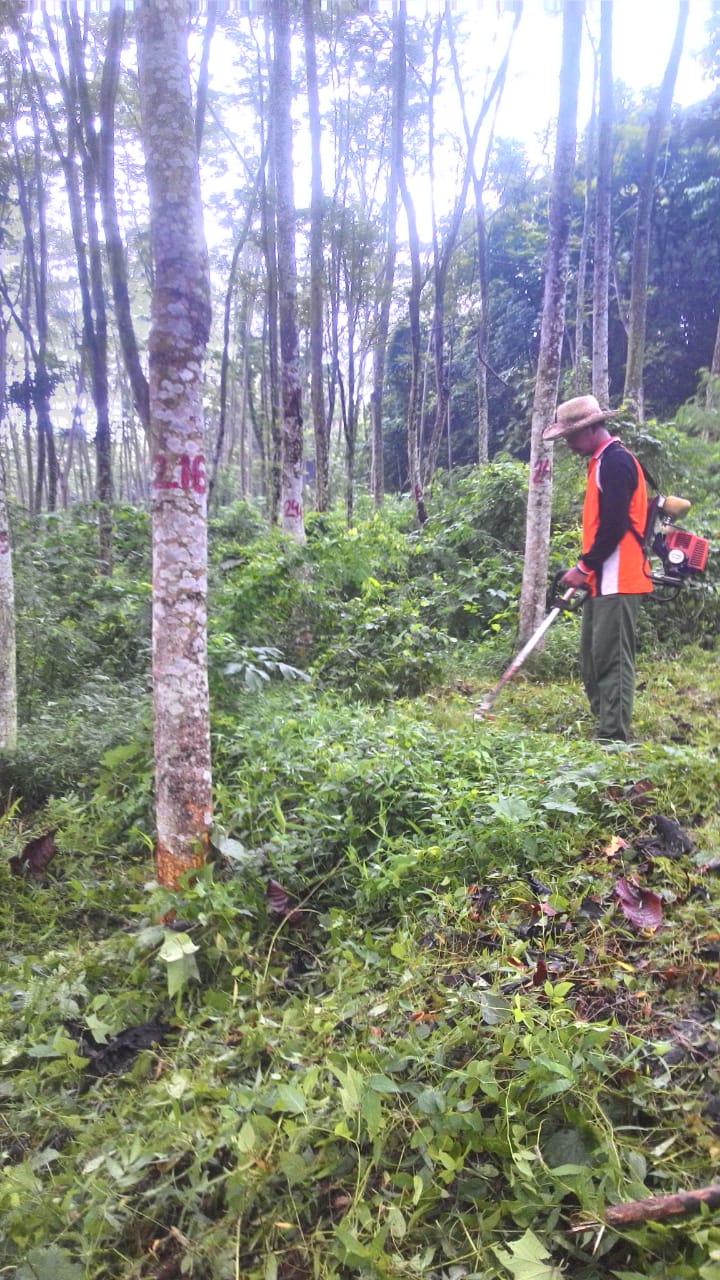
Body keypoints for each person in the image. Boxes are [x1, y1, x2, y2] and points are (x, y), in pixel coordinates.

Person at [542, 395, 653, 743]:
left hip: (619, 577)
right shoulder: (600, 462)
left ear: (591, 429)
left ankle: (613, 738)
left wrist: (584, 566)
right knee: (592, 658)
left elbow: (614, 526)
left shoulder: (616, 462)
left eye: (572, 436)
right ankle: (604, 724)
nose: (569, 444)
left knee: (612, 659)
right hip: (601, 579)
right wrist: (586, 569)